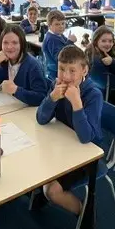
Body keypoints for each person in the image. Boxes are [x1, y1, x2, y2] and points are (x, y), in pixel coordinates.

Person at [35, 45, 103, 214]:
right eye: (61, 69)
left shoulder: (94, 94)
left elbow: (86, 137)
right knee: (32, 163)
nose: (65, 76)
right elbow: (41, 119)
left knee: (51, 191)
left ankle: (84, 213)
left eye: (72, 71)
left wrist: (76, 103)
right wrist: (52, 98)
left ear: (84, 70)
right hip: (63, 145)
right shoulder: (56, 85)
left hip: (87, 155)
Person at [0, 25, 49, 106]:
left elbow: (41, 97)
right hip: (12, 108)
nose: (9, 47)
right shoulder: (3, 62)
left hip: (28, 113)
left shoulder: (33, 65)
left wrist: (16, 90)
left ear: (22, 44)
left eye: (14, 43)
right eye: (5, 43)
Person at [86, 26, 115, 105]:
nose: (108, 44)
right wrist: (114, 63)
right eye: (103, 41)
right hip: (111, 99)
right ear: (96, 41)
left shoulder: (101, 53)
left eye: (110, 41)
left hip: (102, 96)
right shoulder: (96, 60)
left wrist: (113, 62)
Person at [42, 10, 77, 80]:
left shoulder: (58, 34)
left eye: (63, 23)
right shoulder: (52, 39)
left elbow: (64, 45)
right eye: (57, 24)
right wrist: (70, 41)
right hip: (55, 73)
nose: (61, 26)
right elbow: (60, 57)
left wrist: (69, 41)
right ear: (49, 26)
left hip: (59, 70)